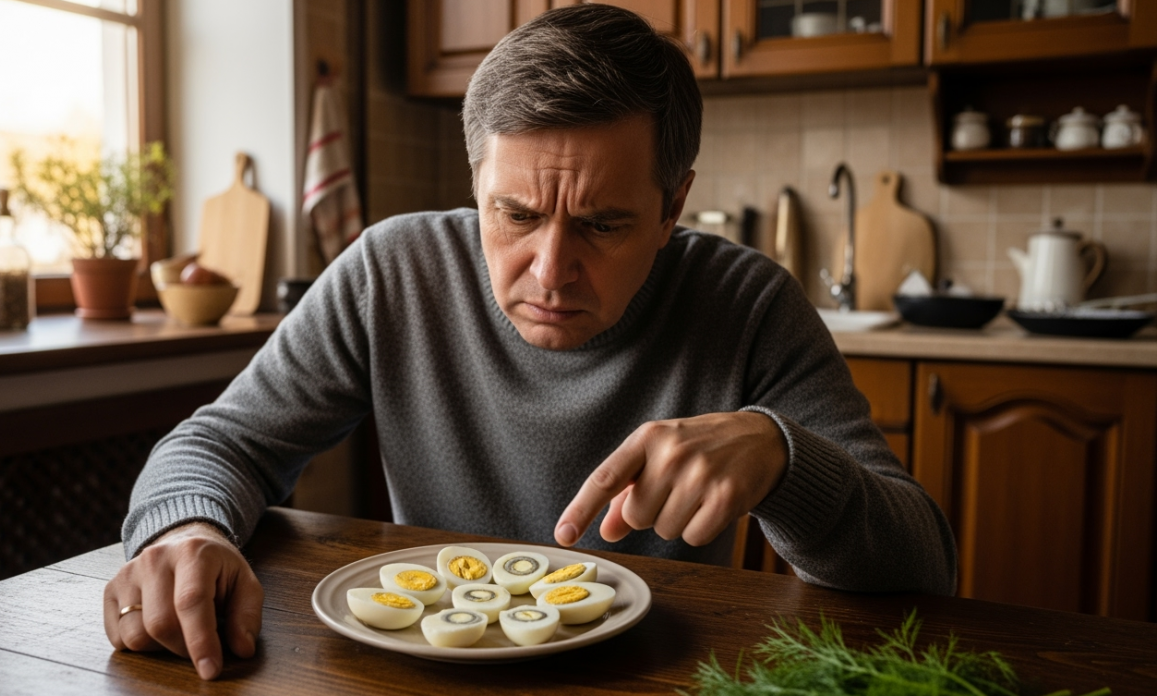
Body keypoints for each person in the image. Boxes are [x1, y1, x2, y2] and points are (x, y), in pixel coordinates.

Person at [102, 4, 957, 681]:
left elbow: (924, 563)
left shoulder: (747, 302)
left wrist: (783, 455)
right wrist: (187, 534)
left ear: (672, 207)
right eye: (513, 215)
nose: (550, 271)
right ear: (476, 182)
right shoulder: (392, 269)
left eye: (603, 224)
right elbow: (221, 442)